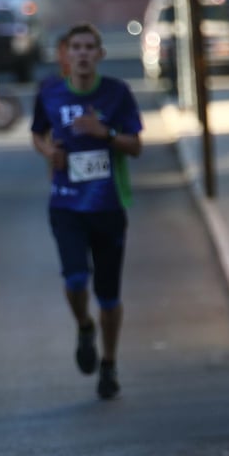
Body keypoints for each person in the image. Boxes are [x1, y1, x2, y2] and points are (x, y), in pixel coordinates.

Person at [30, 23, 143, 400]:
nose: (81, 53)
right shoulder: (50, 92)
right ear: (66, 52)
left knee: (109, 297)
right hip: (66, 205)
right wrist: (50, 153)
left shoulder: (117, 94)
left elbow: (135, 146)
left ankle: (109, 364)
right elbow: (37, 134)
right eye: (75, 47)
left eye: (89, 47)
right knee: (76, 280)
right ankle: (83, 326)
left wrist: (104, 133)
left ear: (99, 54)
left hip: (109, 206)